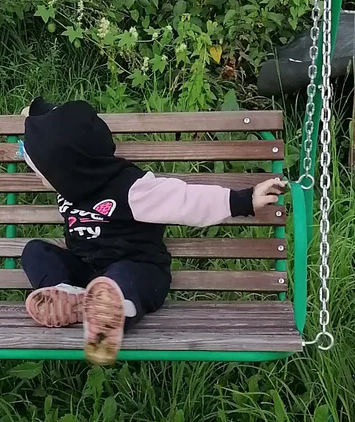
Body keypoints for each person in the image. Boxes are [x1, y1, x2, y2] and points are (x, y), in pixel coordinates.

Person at [17, 97, 285, 365]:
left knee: (123, 277)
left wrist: (244, 200)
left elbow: (184, 201)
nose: (38, 174)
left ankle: (111, 314)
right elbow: (61, 127)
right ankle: (68, 294)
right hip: (88, 270)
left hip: (139, 270)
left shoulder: (131, 188)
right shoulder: (70, 184)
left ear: (66, 169)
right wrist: (34, 113)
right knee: (35, 252)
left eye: (42, 170)